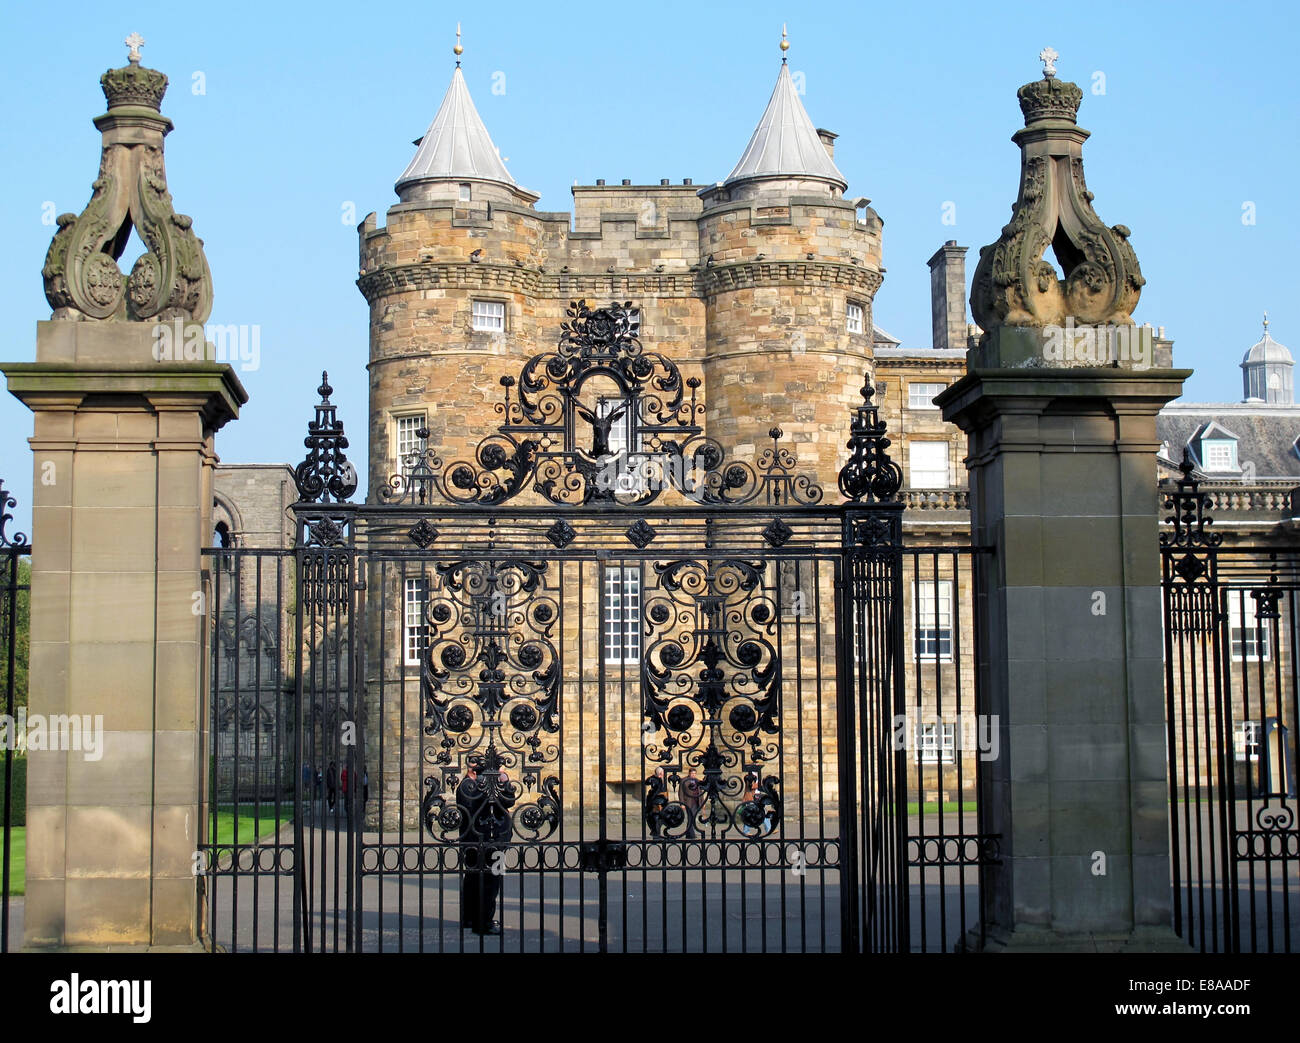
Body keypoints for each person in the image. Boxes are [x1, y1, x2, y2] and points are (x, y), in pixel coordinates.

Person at [457, 760, 516, 936]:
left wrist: (503, 782)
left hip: (482, 841)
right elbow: (475, 806)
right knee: (490, 882)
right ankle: (484, 922)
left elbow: (509, 800)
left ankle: (471, 917)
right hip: (486, 840)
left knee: (474, 879)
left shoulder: (478, 785)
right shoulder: (469, 785)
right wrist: (499, 783)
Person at [644, 767, 668, 838]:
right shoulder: (655, 779)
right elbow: (647, 782)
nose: (664, 774)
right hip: (656, 801)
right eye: (662, 772)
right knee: (655, 817)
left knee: (660, 818)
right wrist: (654, 776)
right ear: (660, 773)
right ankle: (655, 834)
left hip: (661, 801)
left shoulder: (662, 779)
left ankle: (656, 833)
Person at [680, 767, 702, 839]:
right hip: (688, 802)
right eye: (692, 773)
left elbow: (700, 792)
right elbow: (681, 793)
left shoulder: (697, 781)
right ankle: (692, 835)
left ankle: (688, 834)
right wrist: (681, 803)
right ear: (689, 773)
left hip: (696, 801)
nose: (693, 775)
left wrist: (703, 802)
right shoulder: (684, 780)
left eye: (695, 773)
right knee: (691, 817)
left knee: (692, 817)